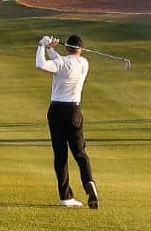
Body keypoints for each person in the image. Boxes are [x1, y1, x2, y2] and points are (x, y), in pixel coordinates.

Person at [36, 34, 99, 209]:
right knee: (80, 153)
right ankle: (89, 184)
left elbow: (41, 64)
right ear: (81, 50)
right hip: (74, 111)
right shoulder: (84, 63)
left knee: (60, 155)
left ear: (67, 48)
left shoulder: (62, 63)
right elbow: (62, 63)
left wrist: (42, 45)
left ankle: (65, 197)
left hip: (56, 110)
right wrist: (51, 49)